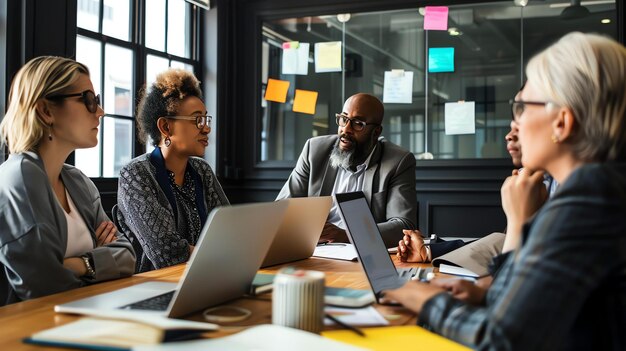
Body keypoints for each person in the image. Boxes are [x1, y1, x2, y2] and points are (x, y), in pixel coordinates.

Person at [384, 32, 626, 350]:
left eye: (523, 107)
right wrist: (487, 291)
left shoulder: (586, 204)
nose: (515, 124)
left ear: (561, 123)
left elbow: (501, 341)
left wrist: (425, 300)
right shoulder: (605, 189)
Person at [0, 56, 135, 306]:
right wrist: (100, 259)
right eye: (88, 101)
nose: (101, 112)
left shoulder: (77, 180)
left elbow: (127, 255)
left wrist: (80, 264)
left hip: (87, 313)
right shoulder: (19, 177)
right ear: (46, 110)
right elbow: (44, 283)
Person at [117, 68, 229, 273]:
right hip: (154, 287)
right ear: (166, 127)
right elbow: (166, 253)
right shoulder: (135, 174)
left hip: (206, 277)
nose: (206, 128)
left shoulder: (201, 170)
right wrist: (221, 253)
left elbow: (229, 232)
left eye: (206, 119)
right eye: (197, 120)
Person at [276, 93, 417, 247]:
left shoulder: (398, 161)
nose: (346, 129)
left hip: (364, 253)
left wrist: (346, 235)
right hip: (314, 250)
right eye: (343, 119)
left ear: (376, 132)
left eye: (358, 123)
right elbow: (282, 207)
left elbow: (403, 226)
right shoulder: (314, 150)